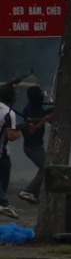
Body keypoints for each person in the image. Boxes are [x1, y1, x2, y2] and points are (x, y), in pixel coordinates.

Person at [18, 85, 53, 204]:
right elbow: (31, 130)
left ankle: (34, 194)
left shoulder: (37, 108)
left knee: (44, 168)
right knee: (46, 169)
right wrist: (44, 119)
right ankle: (28, 191)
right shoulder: (29, 110)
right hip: (32, 147)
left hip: (37, 145)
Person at [0, 83, 21, 219]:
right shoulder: (8, 112)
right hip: (2, 152)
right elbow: (12, 136)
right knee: (3, 177)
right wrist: (20, 131)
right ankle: (3, 203)